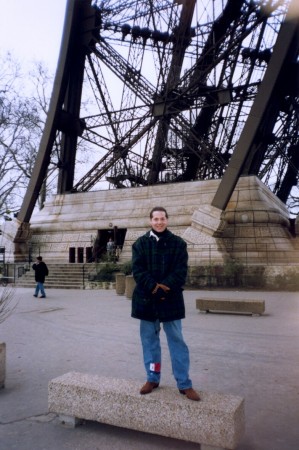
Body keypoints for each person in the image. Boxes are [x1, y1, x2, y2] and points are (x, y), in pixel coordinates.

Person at [131, 206, 200, 401]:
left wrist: (164, 287)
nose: (159, 222)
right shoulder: (140, 244)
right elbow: (138, 271)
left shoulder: (178, 244)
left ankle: (184, 383)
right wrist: (155, 287)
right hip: (147, 300)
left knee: (177, 342)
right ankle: (152, 378)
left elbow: (180, 271)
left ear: (167, 220)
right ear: (150, 221)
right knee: (150, 343)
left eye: (162, 219)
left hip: (170, 300)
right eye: (156, 219)